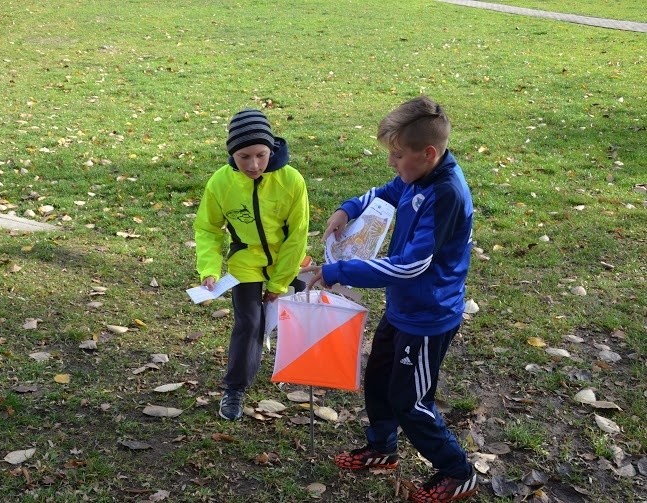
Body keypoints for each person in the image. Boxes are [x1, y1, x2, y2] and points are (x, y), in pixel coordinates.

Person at [303, 96, 477, 502]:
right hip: (403, 309)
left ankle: (457, 469)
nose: (392, 163)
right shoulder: (417, 177)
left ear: (429, 153)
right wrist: (347, 210)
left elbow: (411, 266)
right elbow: (384, 192)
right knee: (379, 380)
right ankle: (382, 448)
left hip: (428, 316)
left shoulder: (446, 192)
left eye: (398, 155)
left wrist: (338, 271)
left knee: (410, 399)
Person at [195, 108, 309, 421]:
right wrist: (209, 269)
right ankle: (234, 389)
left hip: (286, 260)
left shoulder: (291, 181)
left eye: (261, 155)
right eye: (244, 157)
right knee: (248, 323)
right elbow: (207, 228)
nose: (254, 165)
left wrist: (278, 284)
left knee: (289, 317)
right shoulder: (221, 183)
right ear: (232, 154)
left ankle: (290, 369)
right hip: (245, 261)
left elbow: (297, 235)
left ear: (271, 149)